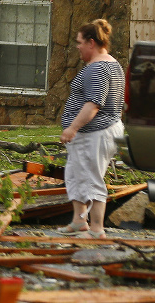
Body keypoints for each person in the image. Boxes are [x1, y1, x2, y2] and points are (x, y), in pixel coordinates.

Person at [58, 19, 125, 239]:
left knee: (92, 178)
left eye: (80, 42)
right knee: (75, 173)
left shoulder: (98, 68)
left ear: (91, 43)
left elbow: (94, 104)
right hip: (100, 130)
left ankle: (97, 229)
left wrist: (72, 128)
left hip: (95, 132)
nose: (77, 46)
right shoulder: (112, 64)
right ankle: (79, 222)